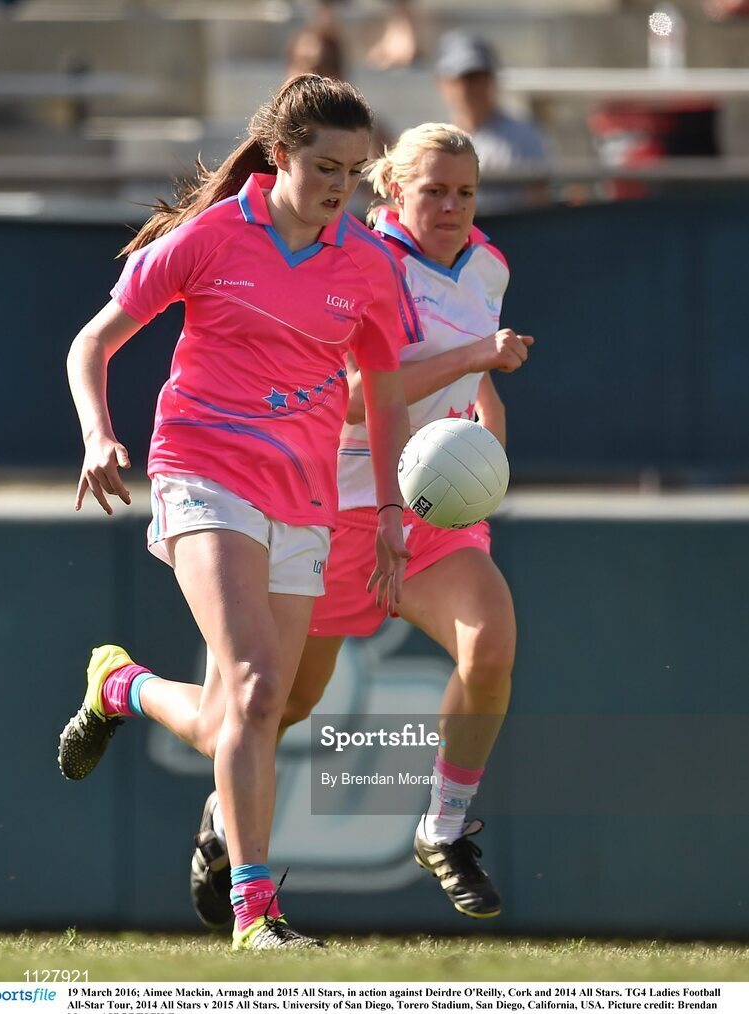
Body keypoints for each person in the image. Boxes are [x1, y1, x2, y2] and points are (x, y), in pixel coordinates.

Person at [84, 122, 533, 931]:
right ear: (392, 188)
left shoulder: (486, 264)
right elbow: (366, 396)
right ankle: (135, 700)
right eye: (432, 189)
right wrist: (474, 359)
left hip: (420, 513)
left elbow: (464, 379)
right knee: (266, 707)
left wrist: (483, 440)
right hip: (326, 497)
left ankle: (442, 827)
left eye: (464, 192)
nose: (451, 207)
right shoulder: (361, 256)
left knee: (490, 642)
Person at [57, 73, 421, 951]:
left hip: (304, 497)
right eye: (325, 166)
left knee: (241, 717)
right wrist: (98, 434)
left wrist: (390, 510)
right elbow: (92, 343)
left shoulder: (367, 266)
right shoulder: (214, 237)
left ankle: (121, 686)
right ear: (279, 156)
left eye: (355, 171)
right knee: (259, 689)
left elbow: (382, 388)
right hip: (200, 471)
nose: (340, 185)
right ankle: (257, 913)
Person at [435, 30, 549, 214]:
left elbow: (538, 201)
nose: (469, 88)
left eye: (477, 77)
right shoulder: (434, 140)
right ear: (442, 83)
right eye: (461, 79)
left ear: (492, 80)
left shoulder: (524, 136)